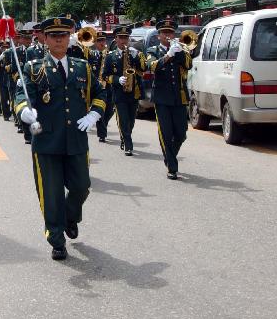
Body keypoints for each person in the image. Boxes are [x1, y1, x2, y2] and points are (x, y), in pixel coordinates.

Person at [14, 16, 107, 261]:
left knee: (81, 187)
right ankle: (56, 238)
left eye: (63, 35)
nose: (58, 39)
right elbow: (21, 95)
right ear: (44, 38)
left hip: (76, 140)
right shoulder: (33, 68)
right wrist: (25, 110)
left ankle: (70, 217)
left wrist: (94, 113)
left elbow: (100, 92)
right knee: (52, 194)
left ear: (69, 38)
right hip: (47, 142)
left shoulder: (82, 67)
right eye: (53, 35)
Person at [149, 17, 192, 180]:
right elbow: (152, 66)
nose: (168, 35)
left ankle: (169, 156)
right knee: (166, 133)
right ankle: (172, 167)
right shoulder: (153, 50)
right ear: (159, 35)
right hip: (162, 98)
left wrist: (179, 52)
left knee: (181, 134)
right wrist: (168, 55)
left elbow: (188, 65)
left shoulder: (181, 49)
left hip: (179, 97)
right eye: (164, 32)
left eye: (170, 32)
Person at [101, 26, 145, 156]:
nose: (123, 40)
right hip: (119, 92)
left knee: (131, 120)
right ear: (116, 39)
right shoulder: (110, 56)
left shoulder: (135, 53)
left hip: (134, 92)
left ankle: (124, 137)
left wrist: (136, 56)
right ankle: (128, 143)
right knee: (123, 119)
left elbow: (143, 68)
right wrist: (116, 79)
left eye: (126, 38)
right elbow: (104, 76)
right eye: (121, 38)